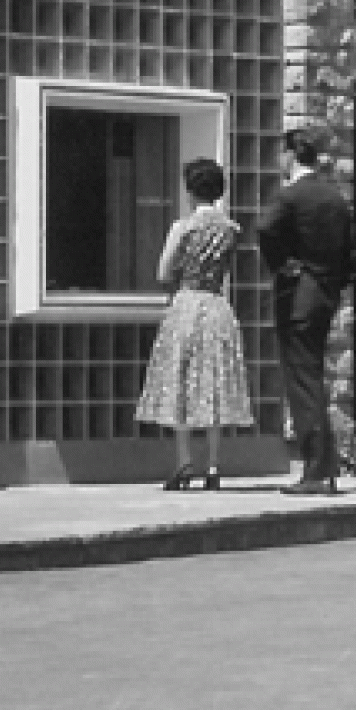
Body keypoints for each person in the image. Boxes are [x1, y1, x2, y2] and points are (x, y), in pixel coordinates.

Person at [135, 158, 255, 490]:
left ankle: (184, 462)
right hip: (217, 306)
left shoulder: (183, 227)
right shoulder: (231, 229)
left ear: (191, 190)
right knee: (213, 383)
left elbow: (163, 272)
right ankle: (214, 466)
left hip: (186, 304)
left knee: (180, 382)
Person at [259, 126, 355, 496]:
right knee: (313, 377)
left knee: (303, 382)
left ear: (289, 155)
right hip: (325, 294)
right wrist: (334, 282)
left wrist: (282, 264)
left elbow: (265, 228)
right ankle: (324, 466)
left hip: (299, 295)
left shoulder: (292, 195)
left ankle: (315, 470)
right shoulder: (335, 198)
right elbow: (349, 251)